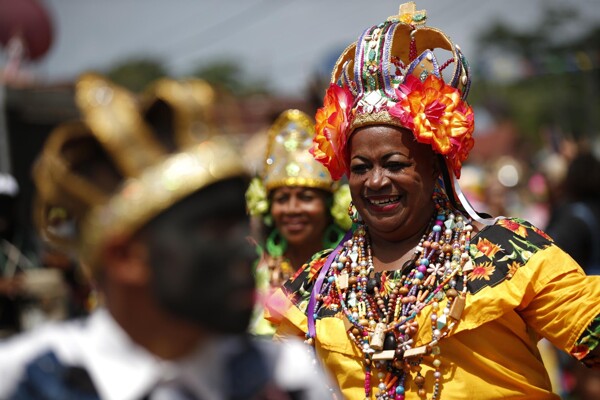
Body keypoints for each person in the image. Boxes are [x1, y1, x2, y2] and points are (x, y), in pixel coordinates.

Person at [265, 2, 600, 399]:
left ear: (434, 167)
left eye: (394, 164)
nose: (375, 181)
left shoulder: (507, 252)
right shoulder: (315, 287)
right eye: (360, 167)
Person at [0, 73, 336, 400]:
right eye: (216, 228)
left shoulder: (285, 376)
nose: (247, 252)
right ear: (126, 256)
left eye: (240, 223)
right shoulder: (27, 378)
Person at [245, 109, 351, 336]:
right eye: (282, 199)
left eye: (306, 197)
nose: (292, 209)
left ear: (332, 206)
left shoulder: (352, 272)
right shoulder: (251, 272)